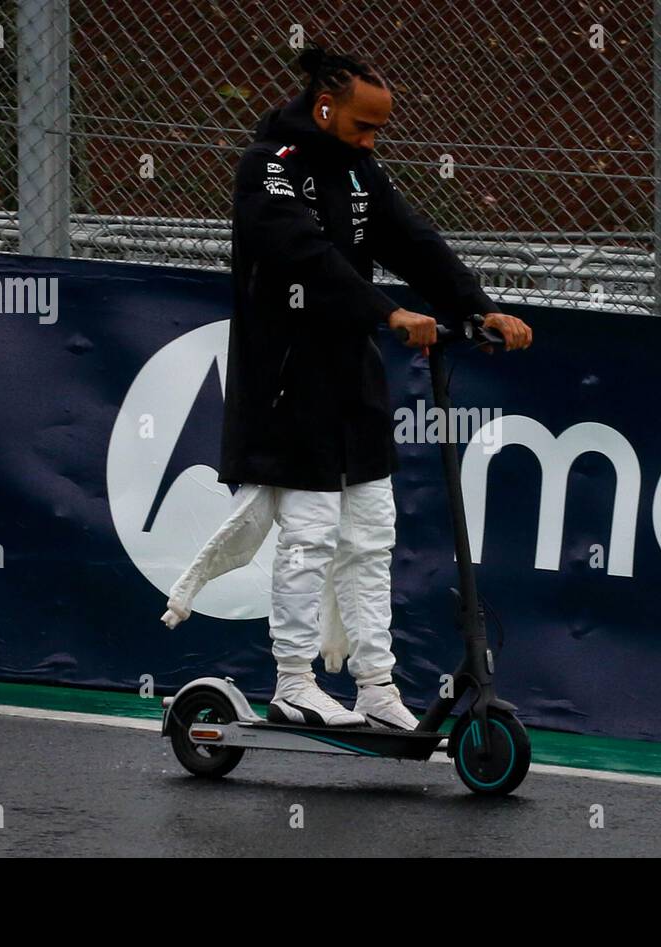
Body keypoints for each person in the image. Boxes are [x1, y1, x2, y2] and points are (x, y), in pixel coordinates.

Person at [219, 42, 532, 729]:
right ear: (324, 105)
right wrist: (386, 311)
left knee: (371, 531)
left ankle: (376, 685)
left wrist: (478, 308)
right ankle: (293, 679)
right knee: (309, 531)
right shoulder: (268, 168)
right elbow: (309, 255)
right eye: (363, 125)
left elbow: (413, 242)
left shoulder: (360, 170)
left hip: (349, 375)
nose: (371, 139)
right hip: (285, 376)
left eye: (378, 129)